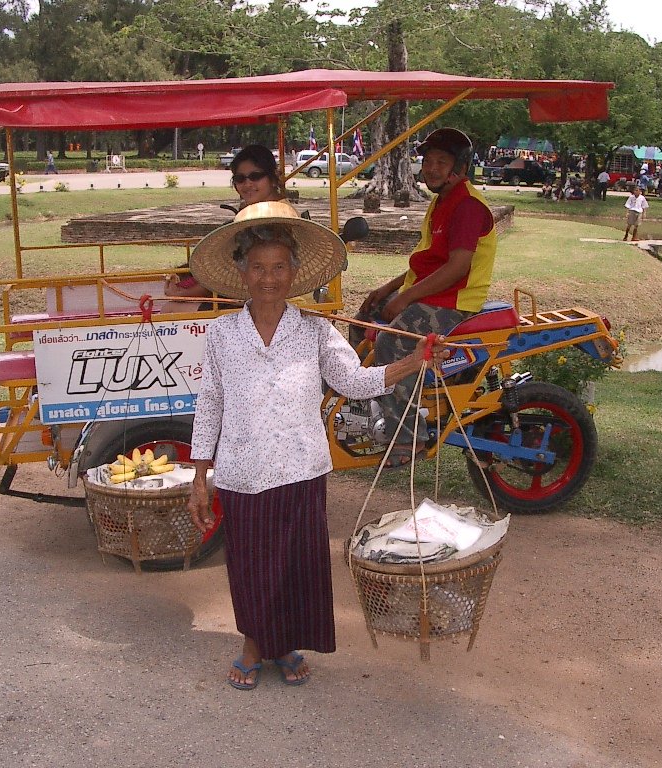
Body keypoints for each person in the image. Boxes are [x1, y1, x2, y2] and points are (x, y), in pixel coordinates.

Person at [187, 201, 450, 690]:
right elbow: (211, 404)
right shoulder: (222, 333)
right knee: (248, 563)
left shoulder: (314, 330)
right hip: (243, 471)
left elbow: (354, 381)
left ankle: (285, 643)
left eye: (279, 267)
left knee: (295, 564)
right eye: (259, 268)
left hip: (302, 468)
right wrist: (199, 476)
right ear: (242, 273)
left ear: (293, 273)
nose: (269, 278)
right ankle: (252, 642)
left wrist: (412, 362)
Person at [352, 128, 496, 466]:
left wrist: (405, 299)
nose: (430, 168)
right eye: (428, 161)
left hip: (454, 302)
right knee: (362, 322)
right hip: (434, 294)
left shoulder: (468, 206)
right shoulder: (442, 202)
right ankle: (371, 404)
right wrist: (386, 290)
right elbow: (430, 260)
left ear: (459, 167)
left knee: (392, 342)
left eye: (440, 162)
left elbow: (459, 266)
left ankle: (408, 437)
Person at [164, 144, 286, 308]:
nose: (247, 184)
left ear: (272, 178)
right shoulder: (257, 211)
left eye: (255, 176)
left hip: (270, 299)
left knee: (173, 309)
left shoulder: (276, 216)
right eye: (240, 179)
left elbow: (233, 271)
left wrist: (182, 294)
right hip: (253, 294)